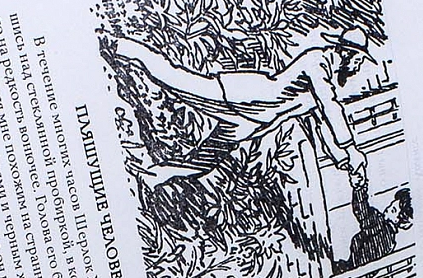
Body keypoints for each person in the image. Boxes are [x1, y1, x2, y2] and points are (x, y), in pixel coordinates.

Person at [104, 27, 376, 182]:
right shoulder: (318, 62)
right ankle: (119, 45)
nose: (359, 65)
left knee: (204, 162)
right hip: (242, 96)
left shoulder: (328, 77)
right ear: (347, 53)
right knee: (175, 78)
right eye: (359, 59)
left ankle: (150, 177)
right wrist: (351, 148)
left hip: (252, 121)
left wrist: (343, 160)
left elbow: (318, 125)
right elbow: (330, 107)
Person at [332, 171, 415, 272]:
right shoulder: (390, 241)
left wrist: (359, 188)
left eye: (393, 210)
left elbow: (362, 211)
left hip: (350, 271)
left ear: (402, 222)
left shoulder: (379, 226)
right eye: (391, 205)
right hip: (359, 275)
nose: (388, 208)